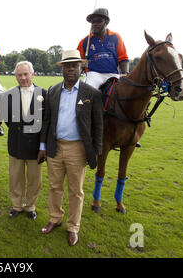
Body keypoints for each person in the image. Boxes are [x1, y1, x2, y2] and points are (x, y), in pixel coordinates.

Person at [37, 50, 103, 246]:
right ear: (62, 69)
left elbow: (98, 125)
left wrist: (97, 151)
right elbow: (47, 121)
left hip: (78, 149)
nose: (71, 68)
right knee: (55, 187)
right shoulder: (53, 91)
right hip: (55, 147)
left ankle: (73, 227)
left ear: (81, 68)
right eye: (67, 65)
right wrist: (43, 146)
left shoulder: (92, 93)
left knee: (76, 191)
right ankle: (55, 219)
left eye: (75, 65)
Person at [77, 8, 141, 147]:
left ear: (106, 22)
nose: (94, 24)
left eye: (98, 21)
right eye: (92, 22)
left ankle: (132, 131)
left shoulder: (116, 37)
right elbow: (79, 62)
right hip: (93, 73)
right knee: (87, 95)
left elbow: (123, 59)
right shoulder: (85, 41)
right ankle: (85, 131)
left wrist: (124, 75)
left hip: (112, 73)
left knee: (128, 96)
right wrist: (82, 65)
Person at [3, 61, 46, 221]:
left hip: (36, 147)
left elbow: (46, 122)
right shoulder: (8, 95)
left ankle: (30, 206)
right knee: (15, 178)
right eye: (19, 75)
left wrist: (43, 145)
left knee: (35, 180)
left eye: (26, 74)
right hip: (16, 143)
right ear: (15, 77)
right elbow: (7, 120)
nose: (23, 77)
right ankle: (16, 205)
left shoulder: (44, 94)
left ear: (32, 74)